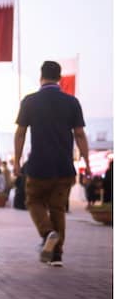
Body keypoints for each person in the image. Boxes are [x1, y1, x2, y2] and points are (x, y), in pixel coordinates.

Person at [14, 60, 91, 267]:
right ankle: (56, 256)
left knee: (33, 201)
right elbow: (80, 134)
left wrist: (17, 161)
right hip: (64, 166)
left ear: (41, 76)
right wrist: (87, 160)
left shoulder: (30, 101)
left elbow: (20, 133)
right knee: (57, 208)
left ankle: (48, 233)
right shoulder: (71, 102)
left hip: (39, 166)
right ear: (59, 78)